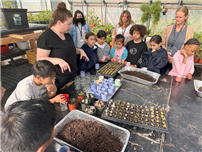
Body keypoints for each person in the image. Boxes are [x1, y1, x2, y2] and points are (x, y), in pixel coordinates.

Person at [37, 2, 89, 90]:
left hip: (72, 75)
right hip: (58, 78)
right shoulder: (46, 37)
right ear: (59, 22)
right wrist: (58, 61)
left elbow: (68, 49)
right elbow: (40, 59)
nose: (71, 27)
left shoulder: (67, 35)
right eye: (69, 24)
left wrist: (80, 51)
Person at [161, 6, 194, 74]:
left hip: (178, 62)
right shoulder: (167, 29)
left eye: (180, 17)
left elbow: (188, 47)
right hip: (165, 58)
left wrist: (175, 59)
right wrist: (167, 55)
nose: (177, 19)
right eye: (176, 17)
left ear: (186, 17)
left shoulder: (189, 31)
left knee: (174, 82)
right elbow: (162, 43)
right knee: (160, 78)